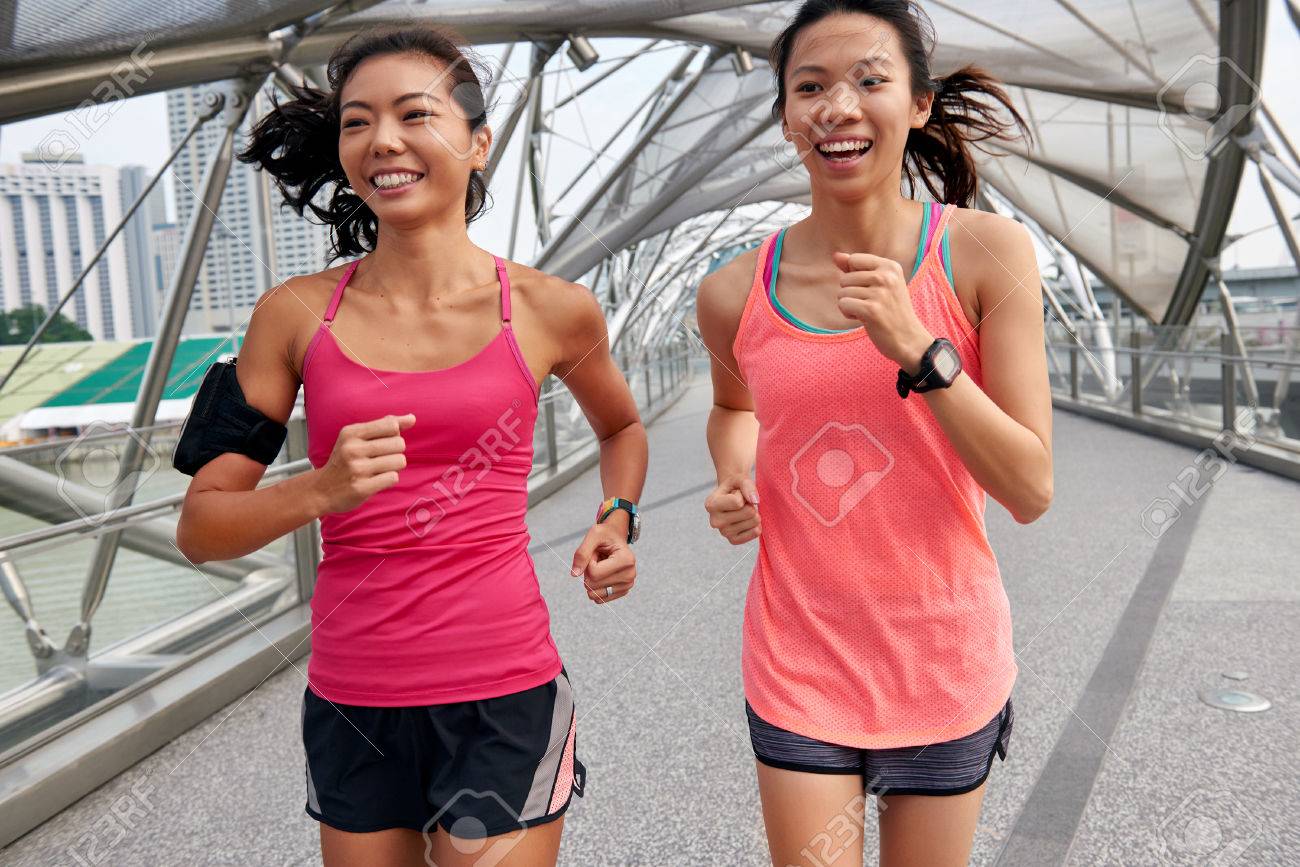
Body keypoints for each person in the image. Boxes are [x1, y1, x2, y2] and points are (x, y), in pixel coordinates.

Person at [176, 25, 648, 867]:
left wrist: (617, 515)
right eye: (357, 122)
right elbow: (202, 528)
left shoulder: (552, 309)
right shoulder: (292, 316)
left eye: (413, 114)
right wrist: (319, 490)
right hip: (355, 699)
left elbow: (621, 426)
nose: (382, 140)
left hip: (504, 691)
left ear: (477, 143)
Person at [696, 2, 1052, 865]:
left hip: (942, 657)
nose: (836, 107)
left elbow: (1030, 488)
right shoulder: (733, 290)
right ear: (785, 116)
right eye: (809, 86)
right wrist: (735, 475)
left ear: (920, 104)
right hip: (798, 656)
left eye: (869, 81)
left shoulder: (987, 254)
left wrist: (922, 353)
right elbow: (734, 407)